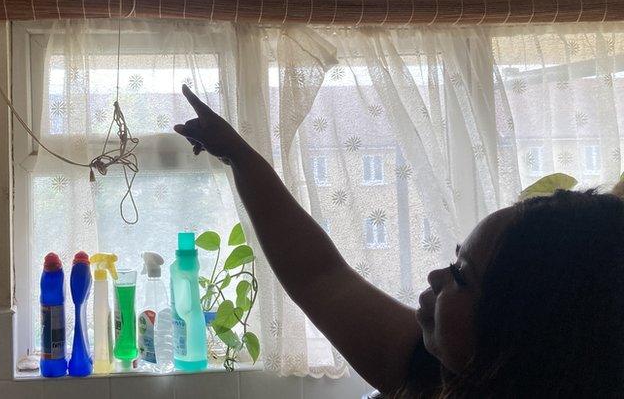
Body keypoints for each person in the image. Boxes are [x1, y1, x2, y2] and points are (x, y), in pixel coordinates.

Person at [173, 85, 624, 398]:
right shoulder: (436, 370)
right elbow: (320, 276)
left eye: (461, 276)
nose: (435, 275)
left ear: (522, 324)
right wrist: (236, 154)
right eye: (453, 262)